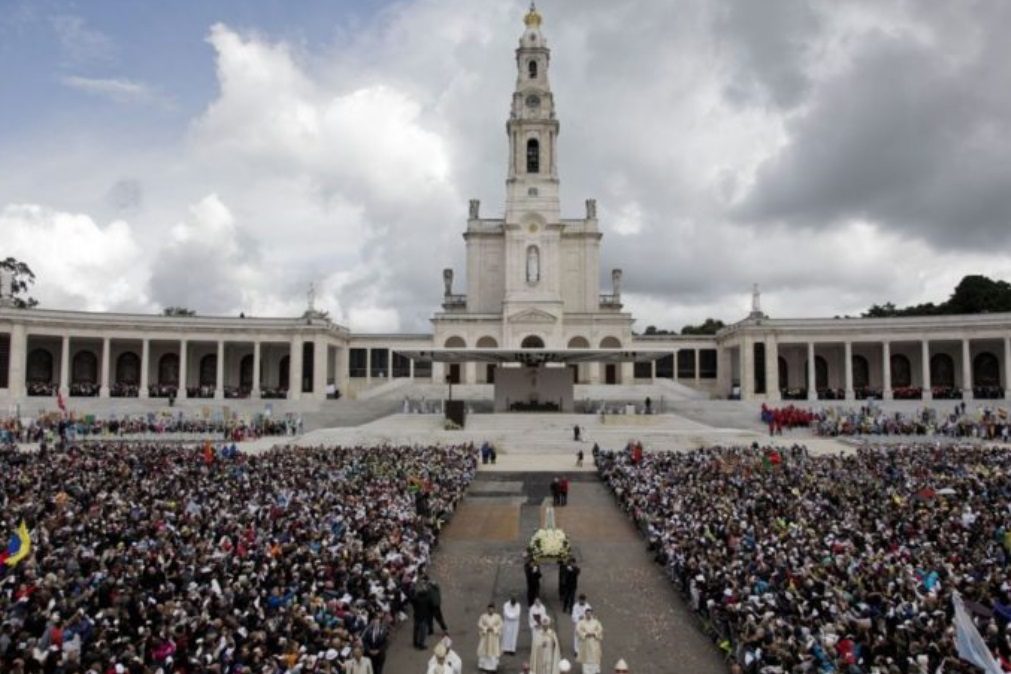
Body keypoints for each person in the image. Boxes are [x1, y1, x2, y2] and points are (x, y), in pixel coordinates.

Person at [477, 603, 504, 672]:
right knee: (484, 650)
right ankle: (483, 665)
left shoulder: (497, 617)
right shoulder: (483, 616)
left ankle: (493, 667)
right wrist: (486, 628)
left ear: (494, 609)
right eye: (489, 609)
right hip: (486, 636)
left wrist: (494, 629)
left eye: (492, 609)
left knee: (493, 651)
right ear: (487, 609)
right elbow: (479, 624)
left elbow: (501, 624)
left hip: (493, 637)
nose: (490, 610)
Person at [576, 608, 603, 674]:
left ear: (592, 614)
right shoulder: (581, 622)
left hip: (594, 642)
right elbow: (578, 630)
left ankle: (594, 671)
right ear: (585, 614)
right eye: (587, 614)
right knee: (586, 659)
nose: (588, 615)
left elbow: (600, 629)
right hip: (586, 643)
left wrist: (594, 633)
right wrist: (585, 634)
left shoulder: (596, 622)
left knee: (594, 658)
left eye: (590, 614)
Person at [412, 578, 433, 649]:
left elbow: (412, 599)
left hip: (416, 616)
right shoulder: (427, 598)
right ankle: (421, 644)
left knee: (416, 630)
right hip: (424, 617)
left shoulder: (416, 598)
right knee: (423, 632)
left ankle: (415, 642)